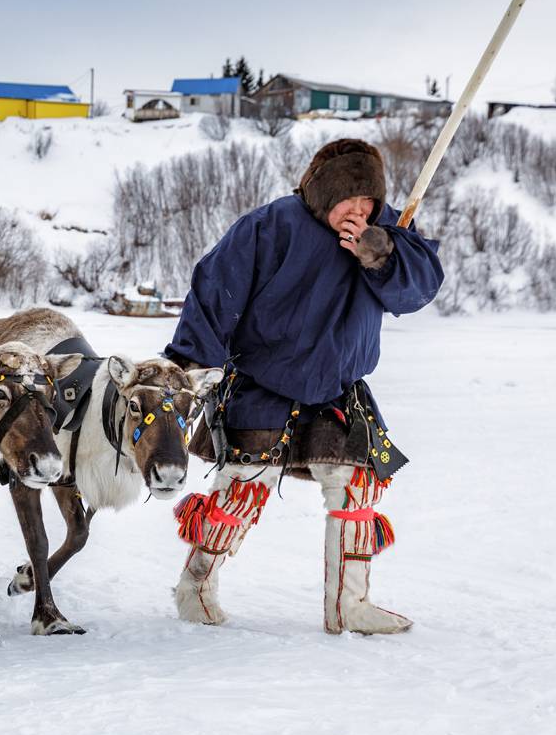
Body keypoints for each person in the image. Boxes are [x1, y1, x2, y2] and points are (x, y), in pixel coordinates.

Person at [164, 138, 443, 634]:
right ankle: (196, 587)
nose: (358, 213)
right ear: (322, 196)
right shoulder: (271, 226)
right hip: (264, 384)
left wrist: (380, 254)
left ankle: (348, 605)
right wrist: (188, 367)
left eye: (368, 205)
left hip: (339, 389)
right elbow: (215, 290)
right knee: (240, 495)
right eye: (348, 203)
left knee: (356, 491)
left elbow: (419, 288)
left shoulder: (390, 232)